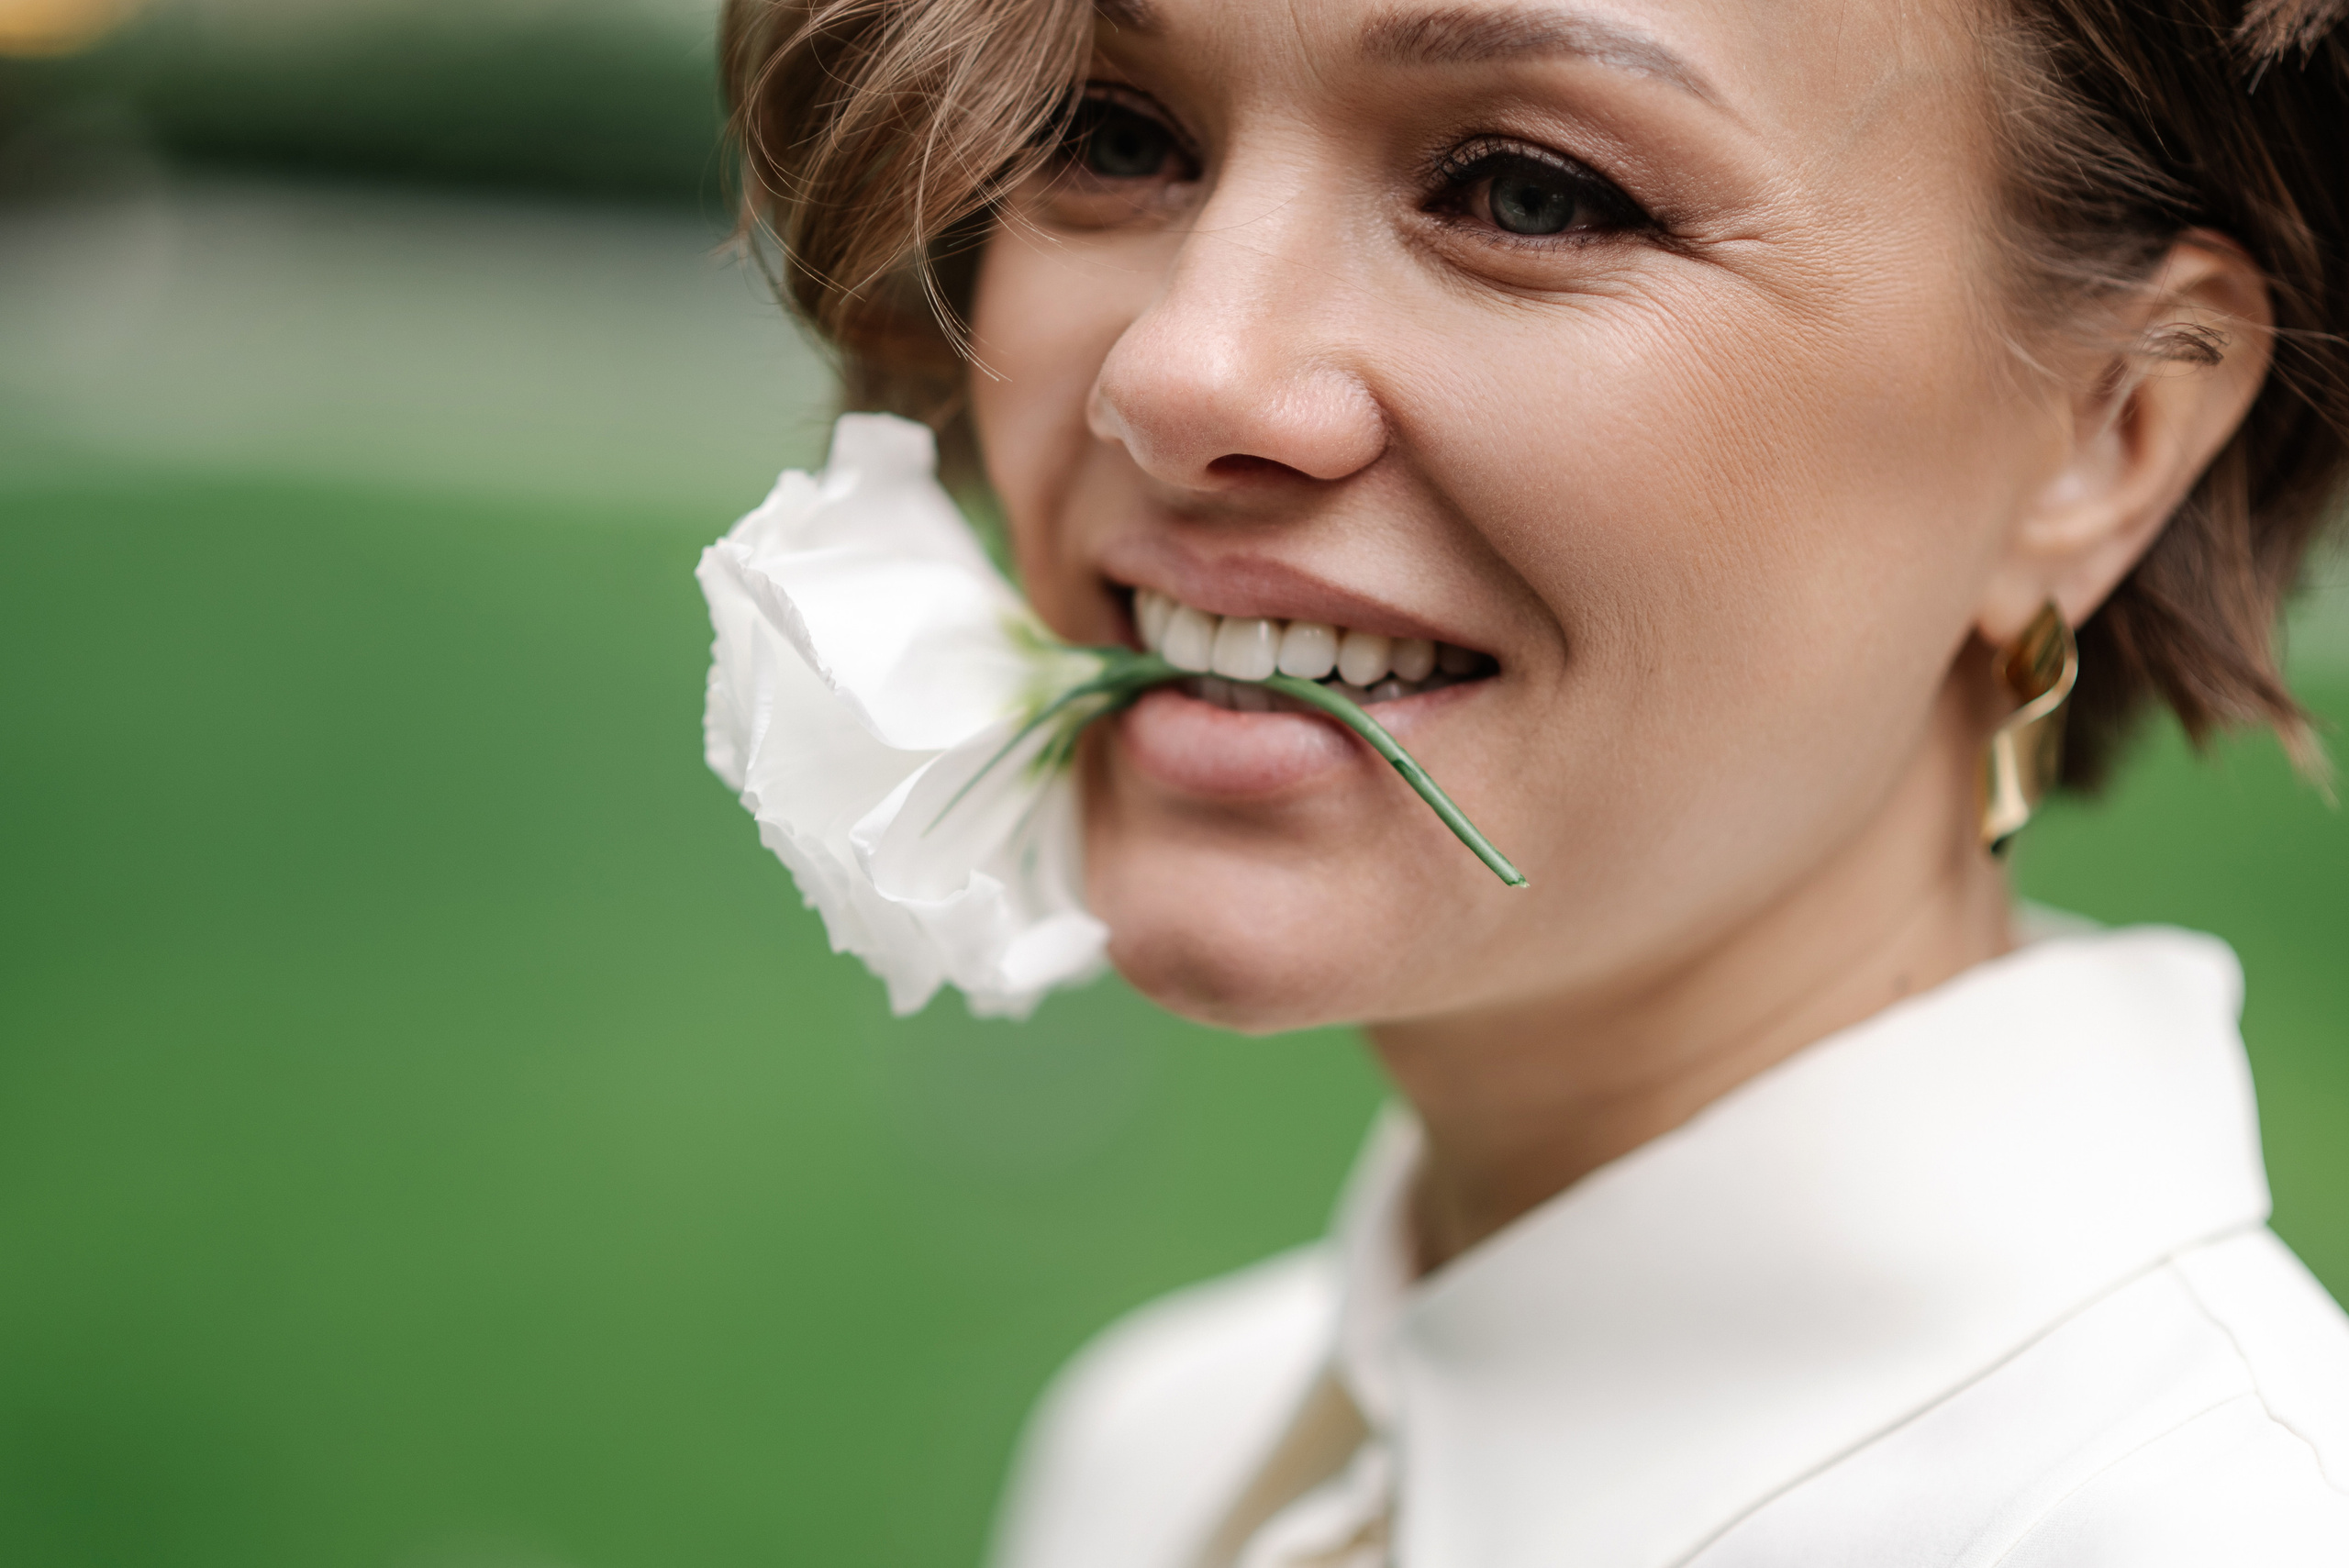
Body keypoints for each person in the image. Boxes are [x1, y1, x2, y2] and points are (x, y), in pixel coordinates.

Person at [721, 0, 2349, 1562]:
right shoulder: (1157, 1450)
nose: (1181, 374)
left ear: (2108, 426)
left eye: (1530, 192)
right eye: (1114, 134)